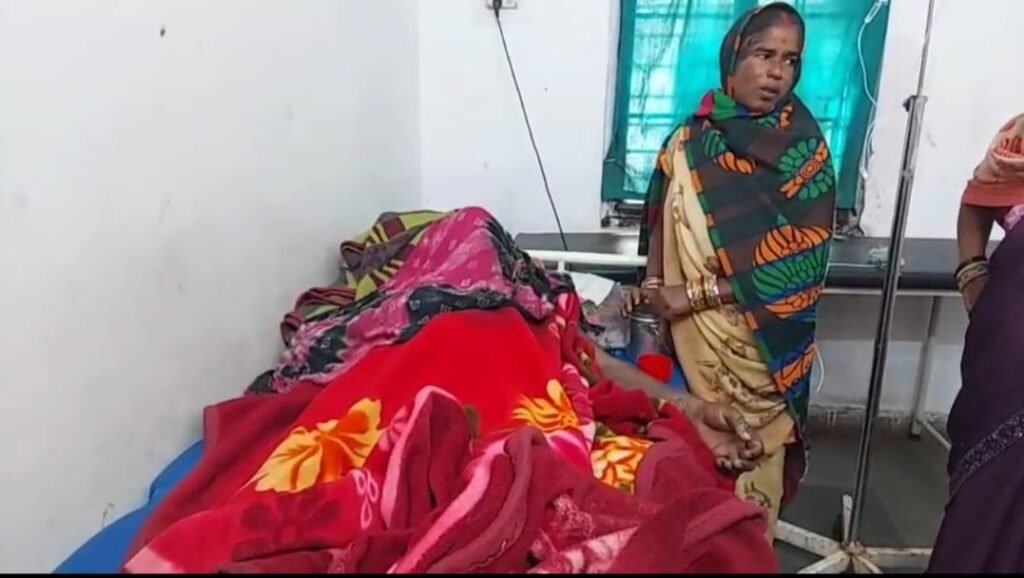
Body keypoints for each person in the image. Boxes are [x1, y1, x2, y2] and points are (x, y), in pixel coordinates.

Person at [123, 207, 778, 574]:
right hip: (423, 353)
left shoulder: (544, 303)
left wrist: (688, 406)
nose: (482, 250)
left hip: (518, 367)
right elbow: (347, 349)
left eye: (494, 247)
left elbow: (593, 363)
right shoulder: (393, 306)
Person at [624, 2, 836, 533]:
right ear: (734, 57)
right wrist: (655, 286)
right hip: (691, 338)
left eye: (790, 60)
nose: (776, 73)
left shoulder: (804, 149)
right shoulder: (690, 139)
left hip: (761, 346)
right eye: (764, 55)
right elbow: (664, 214)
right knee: (690, 461)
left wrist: (692, 295)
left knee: (752, 477)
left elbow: (801, 263)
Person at [928, 114, 1024, 573]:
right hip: (1010, 349)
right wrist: (971, 273)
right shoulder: (1020, 135)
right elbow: (976, 202)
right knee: (987, 498)